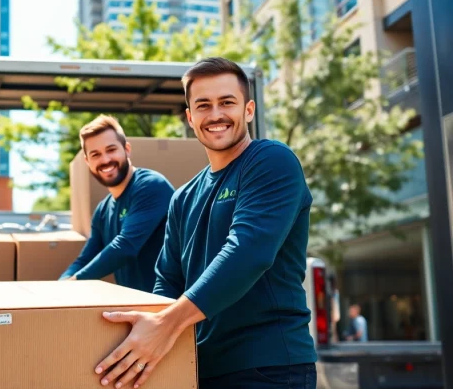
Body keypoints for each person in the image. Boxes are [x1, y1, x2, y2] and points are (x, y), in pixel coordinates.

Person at [92, 57, 317, 389]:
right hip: (200, 369)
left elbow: (248, 251)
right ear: (190, 117)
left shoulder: (271, 161)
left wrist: (165, 325)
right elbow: (167, 281)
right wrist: (152, 331)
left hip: (268, 368)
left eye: (227, 102)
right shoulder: (183, 197)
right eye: (203, 105)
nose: (215, 115)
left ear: (249, 110)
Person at [59, 115, 174, 292]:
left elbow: (125, 247)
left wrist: (74, 283)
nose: (105, 160)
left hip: (168, 305)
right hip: (135, 306)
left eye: (111, 150)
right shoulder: (103, 211)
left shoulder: (150, 185)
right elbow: (85, 258)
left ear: (127, 149)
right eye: (95, 154)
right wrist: (59, 285)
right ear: (87, 162)